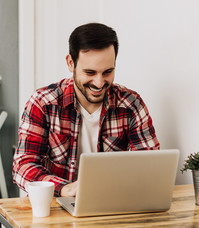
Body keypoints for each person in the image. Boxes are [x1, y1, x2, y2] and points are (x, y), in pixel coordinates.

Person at [13, 23, 160, 197]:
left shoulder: (131, 104)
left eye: (107, 72)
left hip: (111, 204)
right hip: (56, 206)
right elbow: (23, 166)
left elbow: (150, 165)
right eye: (90, 72)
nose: (99, 83)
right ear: (70, 63)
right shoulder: (42, 103)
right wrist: (65, 188)